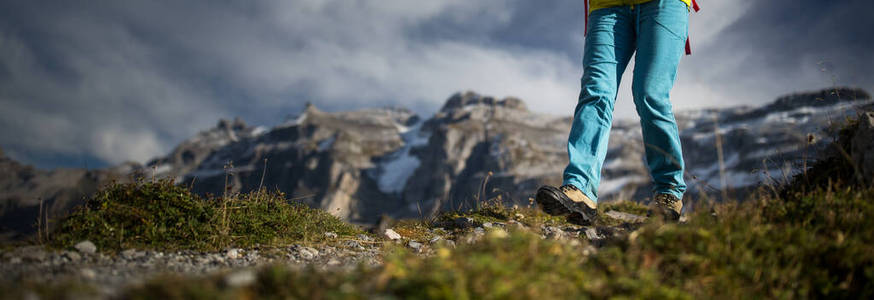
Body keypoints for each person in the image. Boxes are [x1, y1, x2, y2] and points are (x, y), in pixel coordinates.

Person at [536, 0, 696, 224]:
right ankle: (580, 189)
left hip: (664, 4)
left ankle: (669, 193)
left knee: (650, 94)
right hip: (606, 5)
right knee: (596, 92)